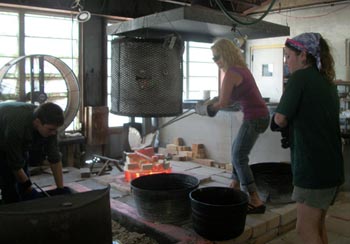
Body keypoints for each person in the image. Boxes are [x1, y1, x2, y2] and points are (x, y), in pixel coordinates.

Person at [271, 32, 344, 244]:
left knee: (304, 230)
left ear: (303, 55)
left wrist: (277, 122)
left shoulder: (300, 78)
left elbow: (280, 118)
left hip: (313, 169)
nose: (286, 62)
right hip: (331, 167)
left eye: (288, 56)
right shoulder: (326, 82)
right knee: (318, 227)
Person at [195, 38, 270, 214]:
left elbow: (222, 103)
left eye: (217, 57)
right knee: (237, 150)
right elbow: (229, 100)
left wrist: (203, 109)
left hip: (254, 117)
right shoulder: (241, 69)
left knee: (238, 156)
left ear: (226, 53)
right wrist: (215, 102)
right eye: (213, 58)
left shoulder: (231, 73)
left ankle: (255, 199)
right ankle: (234, 186)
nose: (215, 61)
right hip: (261, 116)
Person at [0, 101, 70, 204]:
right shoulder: (16, 128)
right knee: (9, 183)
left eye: (55, 130)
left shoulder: (49, 125)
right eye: (50, 130)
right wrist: (30, 190)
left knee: (24, 183)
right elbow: (15, 165)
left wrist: (61, 189)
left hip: (14, 132)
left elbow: (54, 158)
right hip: (3, 131)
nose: (53, 133)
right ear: (37, 122)